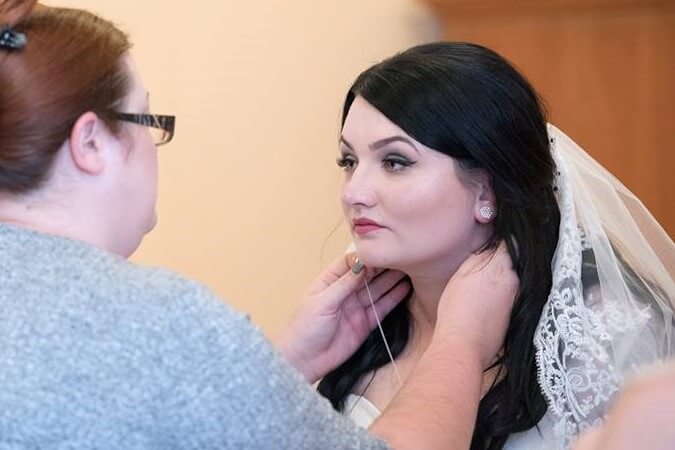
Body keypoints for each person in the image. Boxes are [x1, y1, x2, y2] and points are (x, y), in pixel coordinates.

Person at [0, 2, 518, 448]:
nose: (354, 192)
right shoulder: (162, 321)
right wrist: (462, 339)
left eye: (395, 162)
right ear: (91, 144)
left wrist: (277, 370)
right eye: (148, 121)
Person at [317, 41, 674, 449]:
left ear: (487, 189)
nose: (353, 192)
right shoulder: (355, 324)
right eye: (349, 162)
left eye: (395, 162)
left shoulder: (600, 336)